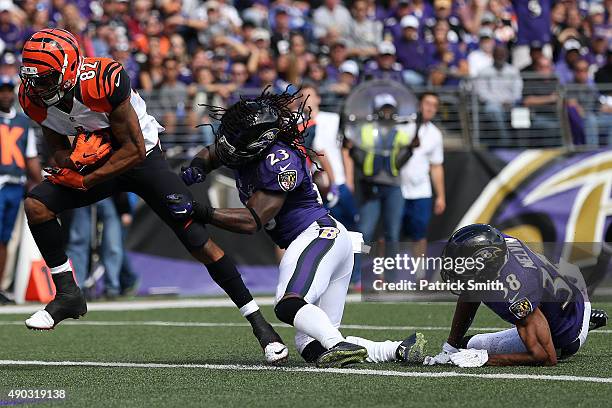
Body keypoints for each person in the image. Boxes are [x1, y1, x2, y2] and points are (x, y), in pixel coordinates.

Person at [17, 29, 287, 364]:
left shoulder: (103, 80)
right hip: (98, 162)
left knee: (197, 239)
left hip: (141, 159)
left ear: (71, 68)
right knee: (37, 205)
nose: (39, 88)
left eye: (46, 79)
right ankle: (68, 293)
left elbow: (132, 150)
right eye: (34, 80)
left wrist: (86, 180)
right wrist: (68, 165)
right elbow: (56, 142)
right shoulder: (30, 97)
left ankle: (259, 324)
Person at [171, 88, 427, 368]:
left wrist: (201, 211)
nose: (228, 142)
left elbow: (252, 219)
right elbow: (212, 153)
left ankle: (338, 345)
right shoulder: (246, 150)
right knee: (310, 345)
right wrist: (197, 167)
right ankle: (396, 350)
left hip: (317, 235)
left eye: (237, 136)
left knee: (288, 303)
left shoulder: (279, 159)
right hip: (320, 240)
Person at [425, 224, 607, 367]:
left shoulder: (516, 291)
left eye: (462, 264)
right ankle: (568, 315)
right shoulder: (497, 244)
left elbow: (545, 356)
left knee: (471, 347)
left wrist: (486, 359)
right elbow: (472, 291)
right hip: (567, 294)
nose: (455, 268)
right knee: (460, 348)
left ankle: (584, 322)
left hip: (566, 334)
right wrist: (450, 346)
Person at [349, 94, 417, 262]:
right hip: (371, 185)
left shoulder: (400, 133)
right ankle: (356, 274)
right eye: (383, 109)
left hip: (393, 186)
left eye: (390, 109)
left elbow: (402, 157)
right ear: (376, 111)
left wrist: (410, 149)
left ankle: (391, 277)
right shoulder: (365, 130)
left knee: (393, 234)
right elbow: (355, 151)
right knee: (364, 232)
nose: (387, 113)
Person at [0, 75, 41, 304]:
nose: (5, 94)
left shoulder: (23, 122)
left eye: (8, 90)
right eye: (1, 90)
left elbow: (31, 157)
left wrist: (42, 183)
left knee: (5, 239)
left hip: (15, 185)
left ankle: (1, 287)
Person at [400, 92, 445, 258]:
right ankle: (384, 275)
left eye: (434, 105)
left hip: (421, 192)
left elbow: (436, 166)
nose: (430, 108)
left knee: (419, 236)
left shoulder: (435, 134)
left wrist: (440, 196)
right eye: (427, 103)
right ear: (419, 104)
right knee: (390, 234)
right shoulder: (403, 124)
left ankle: (419, 276)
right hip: (398, 189)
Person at [474, 45, 523, 142]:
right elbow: (482, 93)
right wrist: (499, 102)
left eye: (502, 54)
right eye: (498, 54)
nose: (500, 56)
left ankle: (521, 144)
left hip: (511, 103)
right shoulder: (484, 72)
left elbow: (518, 90)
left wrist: (510, 101)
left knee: (521, 113)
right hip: (493, 104)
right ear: (493, 55)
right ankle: (505, 139)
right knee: (493, 110)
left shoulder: (513, 71)